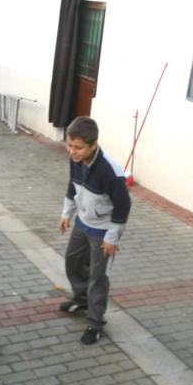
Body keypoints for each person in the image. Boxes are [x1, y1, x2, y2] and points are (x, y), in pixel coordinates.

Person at [57, 116, 131, 345]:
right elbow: (73, 186)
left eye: (78, 148)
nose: (72, 152)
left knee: (98, 278)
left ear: (93, 144)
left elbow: (123, 206)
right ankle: (81, 300)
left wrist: (112, 238)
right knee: (72, 261)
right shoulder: (75, 160)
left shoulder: (110, 171)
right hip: (82, 222)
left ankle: (95, 322)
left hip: (103, 231)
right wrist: (66, 213)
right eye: (69, 145)